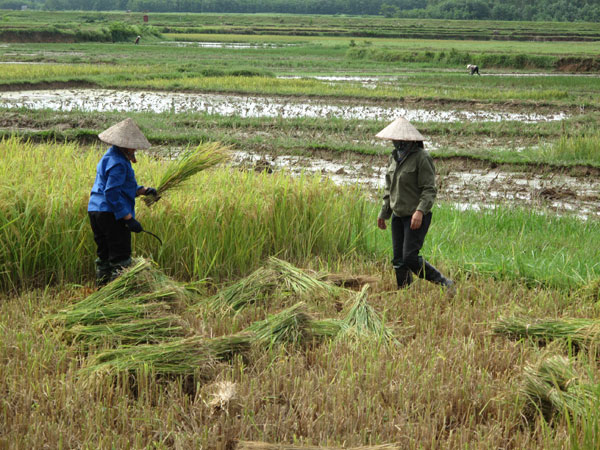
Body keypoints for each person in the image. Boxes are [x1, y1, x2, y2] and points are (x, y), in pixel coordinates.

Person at [376, 117, 455, 294]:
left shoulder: (422, 158)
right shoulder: (394, 157)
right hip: (398, 215)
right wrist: (384, 213)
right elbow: (389, 188)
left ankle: (445, 283)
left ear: (408, 140)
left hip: (415, 216)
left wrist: (420, 211)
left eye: (399, 140)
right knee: (398, 260)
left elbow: (429, 189)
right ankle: (405, 292)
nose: (395, 142)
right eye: (393, 139)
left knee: (410, 257)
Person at [87, 118, 157, 286]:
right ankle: (115, 297)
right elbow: (111, 193)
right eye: (133, 146)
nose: (135, 149)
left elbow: (119, 187)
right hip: (111, 214)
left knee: (104, 255)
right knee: (120, 258)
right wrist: (128, 218)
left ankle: (101, 292)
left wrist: (144, 191)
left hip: (96, 211)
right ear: (126, 145)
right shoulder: (119, 163)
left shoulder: (110, 156)